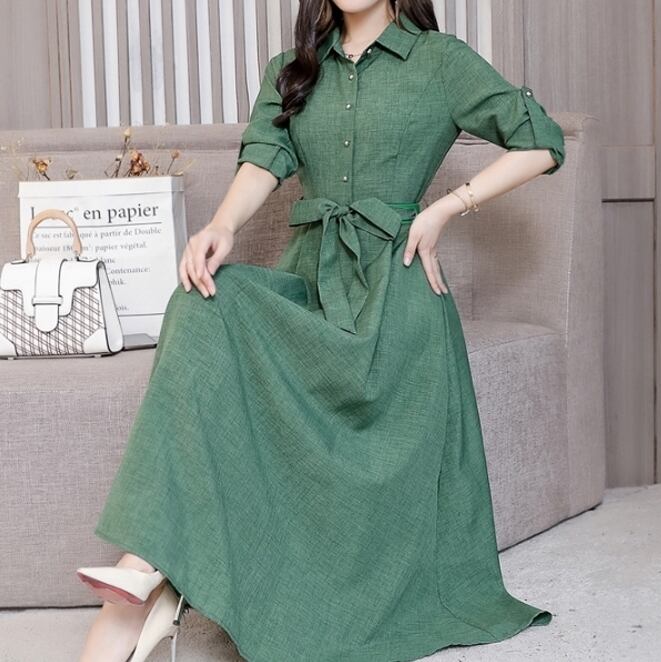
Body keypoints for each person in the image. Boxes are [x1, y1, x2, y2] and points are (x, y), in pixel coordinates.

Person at [76, 1, 565, 660]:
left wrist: (446, 209)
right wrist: (221, 225)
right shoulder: (294, 69)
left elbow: (542, 141)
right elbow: (263, 159)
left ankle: (152, 593)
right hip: (309, 283)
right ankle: (142, 567)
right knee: (201, 301)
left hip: (397, 299)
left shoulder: (439, 61)